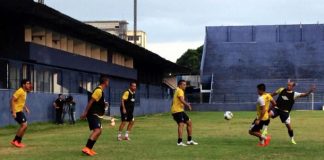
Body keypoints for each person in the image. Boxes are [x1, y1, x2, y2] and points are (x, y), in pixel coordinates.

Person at [80, 75, 109, 156]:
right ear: (105, 82)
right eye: (108, 81)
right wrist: (85, 112)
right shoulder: (98, 90)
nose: (108, 83)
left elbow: (97, 102)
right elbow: (91, 102)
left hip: (96, 114)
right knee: (97, 131)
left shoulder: (101, 91)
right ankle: (86, 148)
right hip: (93, 114)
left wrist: (104, 104)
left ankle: (89, 149)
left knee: (99, 132)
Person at [171, 80, 198, 146]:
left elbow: (173, 101)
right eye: (183, 84)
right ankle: (179, 142)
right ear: (180, 85)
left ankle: (189, 140)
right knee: (181, 124)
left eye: (185, 84)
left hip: (179, 110)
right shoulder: (180, 90)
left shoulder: (177, 90)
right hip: (177, 111)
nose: (185, 86)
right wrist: (188, 105)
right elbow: (181, 100)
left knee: (189, 122)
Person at [10, 79, 32, 148]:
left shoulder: (24, 92)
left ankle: (18, 141)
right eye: (27, 83)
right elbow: (12, 100)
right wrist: (13, 112)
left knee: (25, 126)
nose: (29, 85)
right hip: (17, 111)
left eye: (29, 83)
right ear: (23, 85)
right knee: (24, 125)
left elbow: (21, 101)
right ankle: (15, 141)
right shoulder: (20, 91)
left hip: (20, 110)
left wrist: (26, 108)